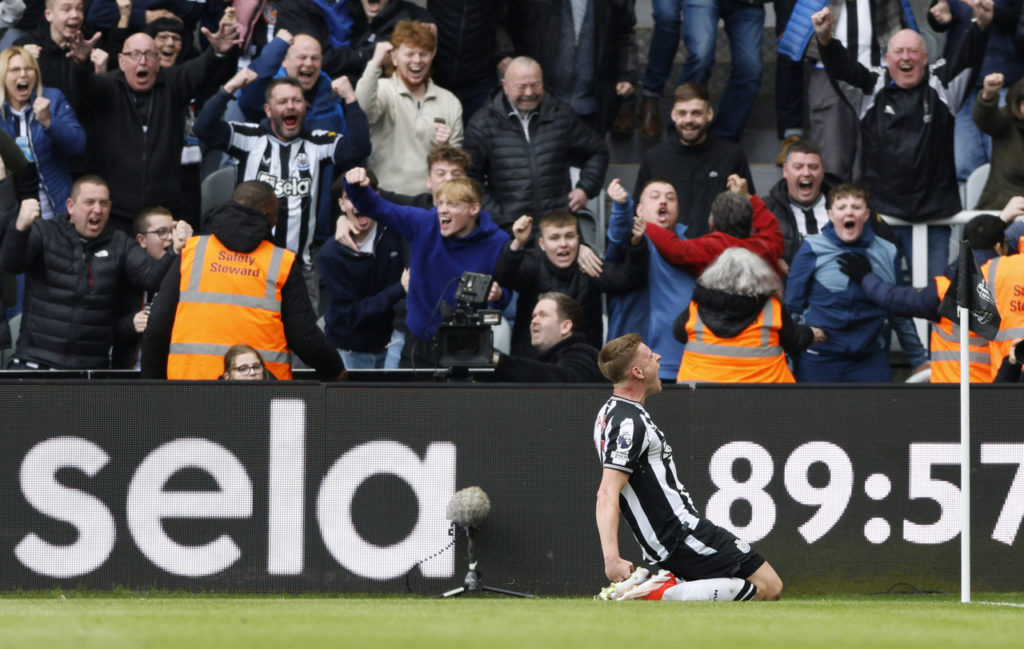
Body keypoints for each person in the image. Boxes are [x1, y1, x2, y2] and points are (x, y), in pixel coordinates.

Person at [593, 333, 783, 601]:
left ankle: (666, 583)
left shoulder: (609, 413)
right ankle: (656, 591)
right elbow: (607, 493)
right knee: (769, 587)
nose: (658, 357)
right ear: (637, 371)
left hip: (672, 536)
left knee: (743, 587)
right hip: (680, 534)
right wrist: (611, 559)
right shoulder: (628, 423)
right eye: (650, 356)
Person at [812, 2, 993, 280]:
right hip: (884, 218)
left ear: (925, 57)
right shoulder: (872, 87)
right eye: (898, 52)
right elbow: (844, 71)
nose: (905, 57)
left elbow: (965, 57)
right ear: (887, 57)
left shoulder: (942, 86)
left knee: (933, 297)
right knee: (883, 300)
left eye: (912, 51)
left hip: (934, 216)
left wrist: (980, 26)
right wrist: (826, 40)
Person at [193, 71, 372, 309]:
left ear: (305, 107)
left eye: (297, 101)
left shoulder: (318, 143)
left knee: (301, 343)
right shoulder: (250, 137)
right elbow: (203, 127)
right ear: (268, 110)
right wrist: (231, 86)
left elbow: (359, 147)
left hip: (298, 270)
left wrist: (350, 98)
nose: (291, 106)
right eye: (283, 101)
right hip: (249, 266)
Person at [141, 180, 345, 381]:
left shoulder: (192, 252)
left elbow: (157, 330)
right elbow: (305, 339)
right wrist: (336, 371)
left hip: (192, 390)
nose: (276, 221)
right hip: (263, 392)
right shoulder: (281, 262)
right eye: (276, 215)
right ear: (266, 216)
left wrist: (153, 391)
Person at [66, 12, 242, 228]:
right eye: (135, 54)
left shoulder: (172, 83)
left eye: (150, 55)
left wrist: (217, 52)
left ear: (158, 62)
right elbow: (83, 86)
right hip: (117, 212)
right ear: (121, 61)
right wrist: (80, 62)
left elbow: (200, 69)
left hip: (162, 213)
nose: (143, 61)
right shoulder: (108, 87)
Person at [1, 175, 182, 369]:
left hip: (90, 370)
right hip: (36, 363)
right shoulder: (45, 232)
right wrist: (19, 228)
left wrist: (174, 251)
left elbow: (151, 278)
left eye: (104, 203)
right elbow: (12, 265)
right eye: (89, 202)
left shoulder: (119, 243)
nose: (97, 209)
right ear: (71, 206)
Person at [343, 167, 510, 368]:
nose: (443, 210)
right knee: (410, 400)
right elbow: (376, 206)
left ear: (474, 209)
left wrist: (499, 295)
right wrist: (354, 185)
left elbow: (506, 292)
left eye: (452, 204)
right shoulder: (423, 222)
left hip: (468, 345)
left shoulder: (497, 240)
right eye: (440, 203)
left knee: (462, 400)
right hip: (418, 342)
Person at [839, 210, 1014, 382]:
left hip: (952, 390)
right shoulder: (1014, 283)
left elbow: (894, 299)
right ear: (999, 246)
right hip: (1001, 388)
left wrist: (865, 276)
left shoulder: (945, 288)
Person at [785, 183, 915, 382]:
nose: (849, 212)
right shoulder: (811, 247)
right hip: (819, 358)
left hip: (869, 360)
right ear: (830, 215)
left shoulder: (888, 251)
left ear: (866, 214)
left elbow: (899, 312)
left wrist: (919, 359)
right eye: (841, 207)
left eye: (856, 207)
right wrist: (789, 359)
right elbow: (791, 309)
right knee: (813, 414)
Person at [463, 56, 608, 232]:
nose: (529, 93)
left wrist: (585, 189)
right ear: (505, 86)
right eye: (521, 87)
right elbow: (470, 178)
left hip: (558, 229)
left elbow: (597, 151)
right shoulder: (482, 123)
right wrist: (497, 216)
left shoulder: (561, 115)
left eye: (535, 85)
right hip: (508, 232)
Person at [493, 209, 647, 357]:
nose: (563, 244)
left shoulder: (587, 263)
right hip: (533, 365)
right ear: (541, 244)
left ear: (579, 239)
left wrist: (636, 243)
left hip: (581, 365)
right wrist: (517, 243)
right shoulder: (533, 263)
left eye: (569, 236)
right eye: (555, 238)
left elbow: (627, 278)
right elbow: (504, 276)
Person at [675, 248, 824, 383]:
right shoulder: (771, 307)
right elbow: (794, 340)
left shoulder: (696, 307)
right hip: (764, 397)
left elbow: (679, 333)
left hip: (698, 394)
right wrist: (811, 333)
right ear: (759, 275)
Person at [633, 82, 754, 239]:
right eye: (682, 113)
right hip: (666, 254)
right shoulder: (654, 158)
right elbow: (637, 213)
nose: (688, 120)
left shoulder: (731, 155)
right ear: (673, 115)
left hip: (717, 254)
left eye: (696, 113)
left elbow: (748, 210)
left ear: (709, 114)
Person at [355, 20, 462, 196]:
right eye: (410, 54)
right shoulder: (382, 89)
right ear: (394, 57)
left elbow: (458, 167)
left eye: (423, 54)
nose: (417, 60)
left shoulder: (449, 101)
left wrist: (446, 147)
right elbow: (361, 112)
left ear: (432, 55)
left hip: (432, 203)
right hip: (386, 199)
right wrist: (374, 64)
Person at [604, 177, 695, 382]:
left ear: (678, 210)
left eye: (670, 198)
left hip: (679, 363)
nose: (663, 201)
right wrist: (621, 206)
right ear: (639, 210)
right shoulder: (632, 240)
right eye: (655, 197)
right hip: (630, 364)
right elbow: (617, 237)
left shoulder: (690, 248)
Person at [499, 0, 637, 135]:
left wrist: (626, 73)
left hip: (592, 106)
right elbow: (504, 21)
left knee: (591, 154)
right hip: (539, 102)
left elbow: (624, 32)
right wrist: (505, 54)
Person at [637, 0, 765, 142]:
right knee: (701, 56)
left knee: (751, 70)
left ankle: (723, 137)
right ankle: (680, 135)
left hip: (747, 4)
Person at [928, 0, 1022, 183]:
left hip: (1003, 78)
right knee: (964, 162)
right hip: (961, 79)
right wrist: (939, 15)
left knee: (1001, 158)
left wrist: (992, 15)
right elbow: (937, 15)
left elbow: (1019, 19)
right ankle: (970, 209)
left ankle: (1003, 210)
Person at [318, 174, 405, 370]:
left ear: (376, 197)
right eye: (350, 197)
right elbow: (349, 314)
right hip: (349, 350)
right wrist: (400, 288)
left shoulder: (396, 234)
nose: (358, 201)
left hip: (392, 345)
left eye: (364, 194)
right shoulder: (331, 254)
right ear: (341, 204)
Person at [0, 45, 84, 220]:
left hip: (56, 209)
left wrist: (49, 121)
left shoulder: (53, 99)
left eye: (29, 69)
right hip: (13, 214)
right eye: (15, 70)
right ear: (3, 77)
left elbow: (78, 145)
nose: (23, 75)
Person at [642, 174, 784, 275]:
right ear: (751, 223)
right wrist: (748, 197)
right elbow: (772, 229)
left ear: (712, 223)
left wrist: (642, 223)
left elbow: (676, 250)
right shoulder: (767, 246)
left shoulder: (710, 248)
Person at [112, 205, 192, 369]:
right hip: (127, 373)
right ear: (141, 240)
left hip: (170, 373)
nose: (170, 238)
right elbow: (100, 327)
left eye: (173, 230)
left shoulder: (188, 273)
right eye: (162, 232)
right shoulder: (124, 276)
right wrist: (130, 324)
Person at [487, 292, 606, 383]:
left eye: (543, 315)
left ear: (565, 326)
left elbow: (565, 380)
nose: (534, 321)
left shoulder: (582, 353)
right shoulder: (547, 360)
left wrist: (499, 360)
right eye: (533, 316)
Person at [761, 139, 837, 266]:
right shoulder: (765, 209)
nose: (806, 173)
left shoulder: (846, 205)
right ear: (785, 170)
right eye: (798, 167)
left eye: (813, 167)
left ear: (823, 170)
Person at [973, 72, 1024, 210]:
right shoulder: (1006, 121)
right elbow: (986, 119)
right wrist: (988, 96)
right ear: (1017, 103)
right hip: (999, 211)